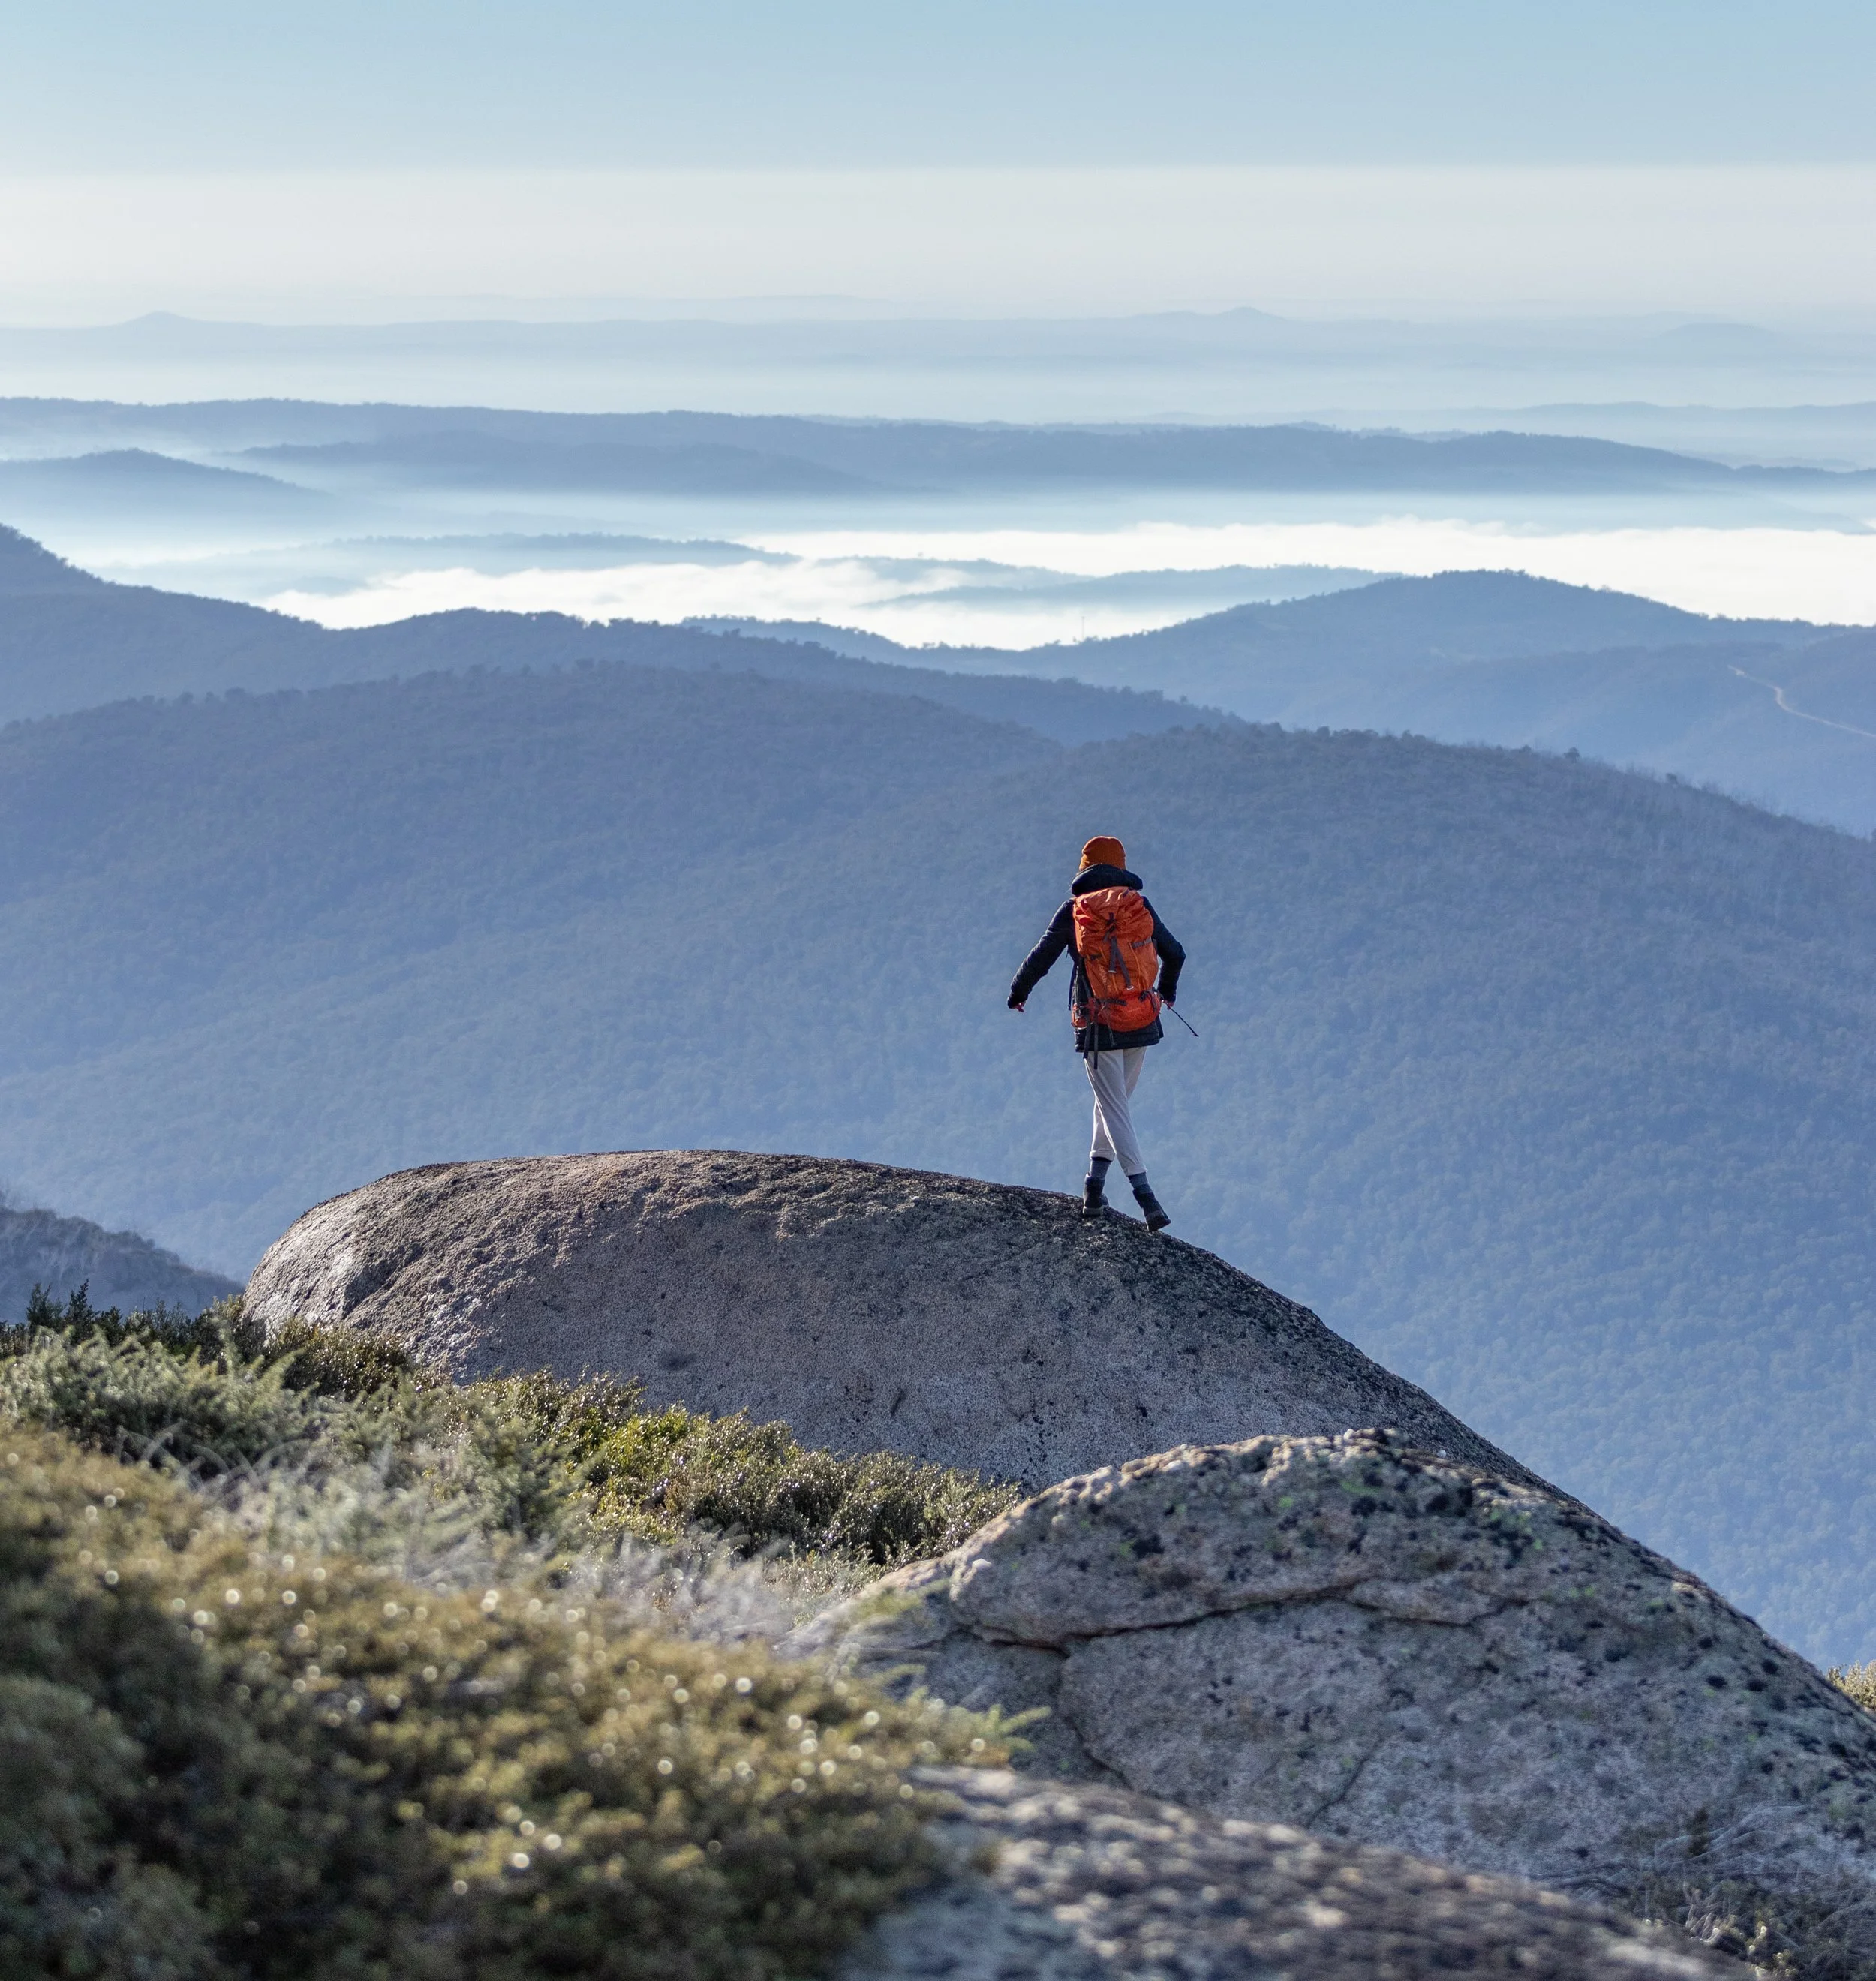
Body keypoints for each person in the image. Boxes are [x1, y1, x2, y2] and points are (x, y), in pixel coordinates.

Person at [1007, 834, 1185, 1230]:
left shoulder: (1074, 911)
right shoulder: (1136, 906)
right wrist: (1166, 993)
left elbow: (1041, 957)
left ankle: (1146, 1198)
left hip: (1099, 1024)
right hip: (1142, 1018)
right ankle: (1093, 1189)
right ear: (1120, 867)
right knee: (1111, 1104)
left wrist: (1018, 993)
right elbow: (1176, 953)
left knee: (1114, 1108)